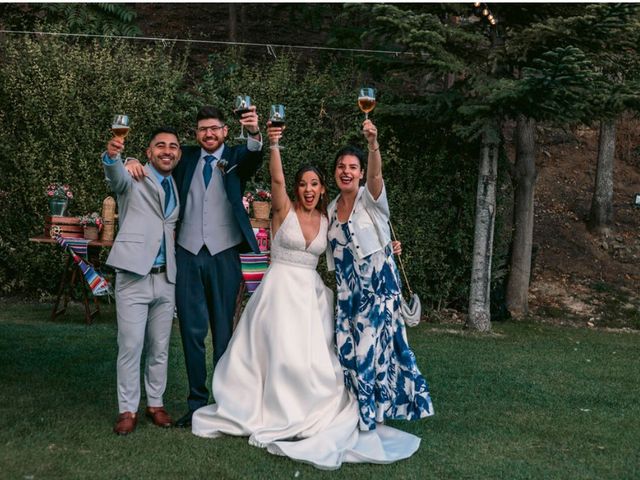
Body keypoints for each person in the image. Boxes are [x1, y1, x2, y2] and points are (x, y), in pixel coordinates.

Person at [191, 124, 421, 470]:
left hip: (312, 296)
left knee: (318, 361)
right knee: (280, 358)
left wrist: (388, 246)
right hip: (280, 293)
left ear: (322, 188)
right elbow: (277, 182)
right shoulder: (284, 211)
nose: (309, 189)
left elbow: (360, 228)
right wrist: (274, 146)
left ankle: (350, 410)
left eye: (315, 184)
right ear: (297, 188)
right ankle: (273, 409)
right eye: (304, 184)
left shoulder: (329, 215)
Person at [126, 106, 264, 428]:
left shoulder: (236, 157)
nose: (209, 134)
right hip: (186, 255)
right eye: (203, 129)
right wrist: (130, 161)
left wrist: (255, 132)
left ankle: (225, 403)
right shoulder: (184, 157)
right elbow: (156, 159)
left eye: (215, 128)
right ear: (196, 133)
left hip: (224, 254)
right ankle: (197, 404)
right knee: (191, 332)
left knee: (224, 332)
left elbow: (255, 154)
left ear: (226, 131)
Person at [326, 119, 434, 431]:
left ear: (359, 173)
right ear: (335, 172)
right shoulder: (331, 209)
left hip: (377, 292)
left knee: (372, 354)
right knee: (350, 354)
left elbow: (376, 174)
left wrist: (373, 144)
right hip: (348, 295)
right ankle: (360, 409)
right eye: (341, 166)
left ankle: (372, 416)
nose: (347, 171)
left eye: (353, 167)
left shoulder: (370, 200)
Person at [103, 127, 181, 435]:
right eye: (160, 146)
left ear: (178, 154)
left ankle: (156, 403)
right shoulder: (132, 175)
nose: (167, 150)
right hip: (134, 276)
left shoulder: (177, 182)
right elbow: (115, 177)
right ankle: (127, 409)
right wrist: (115, 156)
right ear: (148, 153)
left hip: (167, 279)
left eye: (173, 146)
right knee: (131, 345)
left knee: (160, 346)